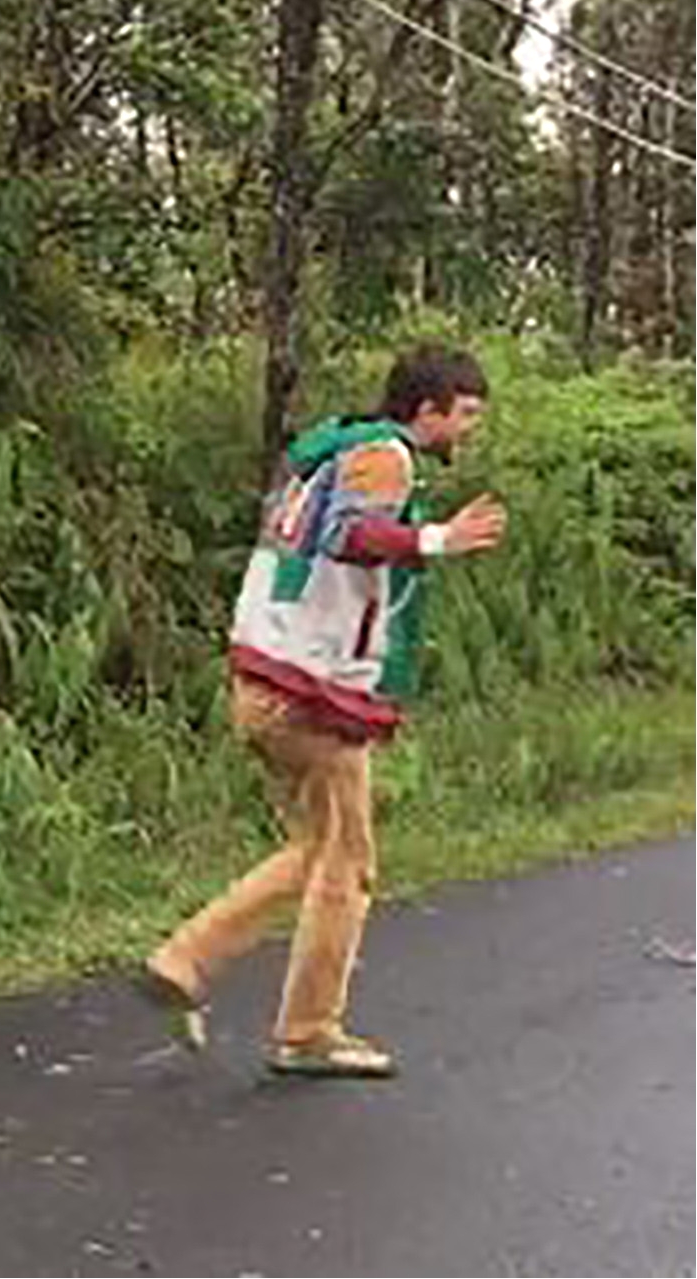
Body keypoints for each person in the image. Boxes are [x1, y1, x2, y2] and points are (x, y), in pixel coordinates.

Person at [139, 343, 507, 1078]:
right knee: (348, 861)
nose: (467, 430)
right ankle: (301, 1027)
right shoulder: (385, 456)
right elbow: (350, 534)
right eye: (463, 414)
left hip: (267, 678)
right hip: (310, 690)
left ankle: (191, 961)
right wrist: (439, 539)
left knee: (318, 848)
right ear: (426, 408)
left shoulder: (330, 450)